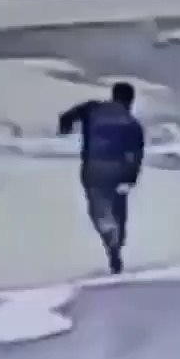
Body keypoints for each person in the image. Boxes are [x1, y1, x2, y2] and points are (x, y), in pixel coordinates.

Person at [58, 82, 145, 275]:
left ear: (113, 95)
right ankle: (116, 243)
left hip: (93, 167)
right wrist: (131, 178)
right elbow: (135, 155)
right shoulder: (132, 123)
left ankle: (110, 240)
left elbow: (68, 116)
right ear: (131, 100)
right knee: (119, 209)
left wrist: (64, 128)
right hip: (118, 170)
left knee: (98, 209)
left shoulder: (93, 108)